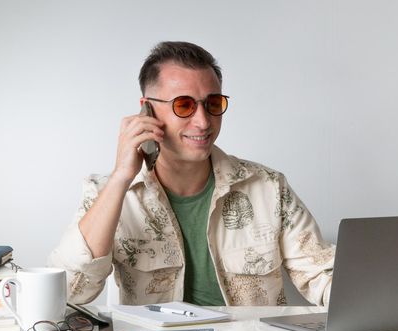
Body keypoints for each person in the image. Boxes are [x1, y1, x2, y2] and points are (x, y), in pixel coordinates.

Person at [48, 41, 335, 306]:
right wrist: (121, 176)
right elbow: (71, 291)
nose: (203, 121)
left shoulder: (269, 188)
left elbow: (322, 275)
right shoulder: (109, 194)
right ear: (146, 110)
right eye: (183, 105)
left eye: (212, 104)